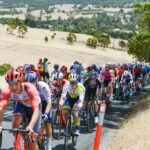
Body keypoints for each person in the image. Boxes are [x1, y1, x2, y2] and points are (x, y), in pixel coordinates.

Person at [0, 69, 41, 150]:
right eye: (11, 84)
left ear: (21, 81)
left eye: (16, 83)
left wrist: (31, 126)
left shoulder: (30, 88)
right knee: (15, 122)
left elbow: (36, 109)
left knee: (32, 139)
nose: (13, 87)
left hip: (34, 108)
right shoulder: (6, 90)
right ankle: (17, 144)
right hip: (21, 105)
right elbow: (1, 108)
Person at [25, 71, 52, 150]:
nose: (30, 86)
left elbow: (49, 102)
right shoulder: (25, 87)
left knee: (47, 124)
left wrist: (46, 113)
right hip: (35, 104)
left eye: (32, 83)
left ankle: (49, 146)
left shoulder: (43, 86)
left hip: (44, 103)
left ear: (36, 82)